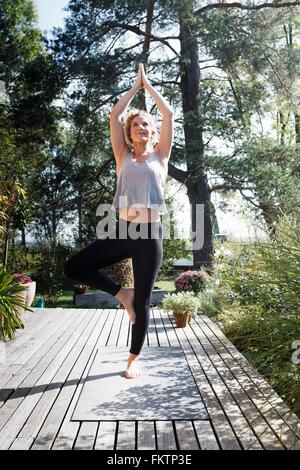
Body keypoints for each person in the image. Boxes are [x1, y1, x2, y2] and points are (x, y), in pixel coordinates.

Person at [64, 64, 174, 379]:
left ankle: (133, 359)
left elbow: (169, 116)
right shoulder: (123, 157)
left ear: (153, 133)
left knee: (142, 302)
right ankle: (119, 293)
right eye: (137, 124)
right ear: (130, 132)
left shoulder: (160, 157)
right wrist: (133, 89)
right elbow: (114, 116)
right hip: (124, 231)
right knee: (73, 267)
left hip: (150, 236)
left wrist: (147, 86)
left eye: (147, 124)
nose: (142, 126)